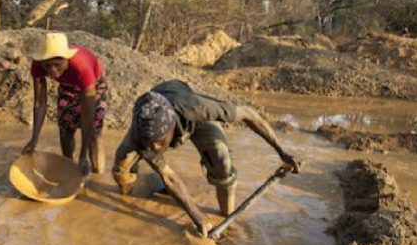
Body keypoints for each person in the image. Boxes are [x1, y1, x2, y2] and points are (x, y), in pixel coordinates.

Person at [112, 80, 301, 237]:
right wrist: (198, 219)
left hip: (187, 110)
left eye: (160, 142)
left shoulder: (197, 108)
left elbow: (249, 114)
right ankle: (142, 188)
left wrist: (281, 151)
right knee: (121, 172)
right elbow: (169, 176)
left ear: (171, 130)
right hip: (155, 115)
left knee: (221, 158)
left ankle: (227, 215)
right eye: (149, 143)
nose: (154, 148)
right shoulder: (141, 134)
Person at [22, 33, 108, 176]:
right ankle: (70, 168)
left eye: (57, 64)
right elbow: (40, 102)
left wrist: (83, 155)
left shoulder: (82, 67)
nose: (52, 70)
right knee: (66, 128)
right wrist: (34, 138)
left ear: (67, 59)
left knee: (93, 132)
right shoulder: (37, 65)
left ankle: (93, 169)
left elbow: (88, 114)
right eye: (47, 65)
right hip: (67, 85)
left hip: (94, 84)